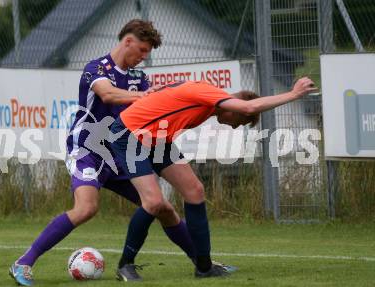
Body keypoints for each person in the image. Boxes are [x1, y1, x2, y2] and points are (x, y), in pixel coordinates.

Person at [9, 19, 209, 286]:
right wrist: (143, 97)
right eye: (142, 50)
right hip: (88, 149)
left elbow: (142, 113)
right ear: (127, 41)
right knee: (86, 208)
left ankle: (203, 264)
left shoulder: (139, 78)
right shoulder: (97, 68)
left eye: (147, 52)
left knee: (163, 207)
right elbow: (108, 95)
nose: (143, 57)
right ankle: (23, 263)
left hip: (119, 152)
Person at [110, 78, 317, 279]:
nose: (235, 127)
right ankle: (125, 265)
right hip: (130, 134)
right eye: (240, 122)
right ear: (234, 109)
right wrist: (294, 94)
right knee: (154, 202)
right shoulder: (209, 93)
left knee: (195, 191)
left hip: (158, 140)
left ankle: (204, 267)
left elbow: (165, 95)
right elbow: (249, 108)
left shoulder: (208, 101)